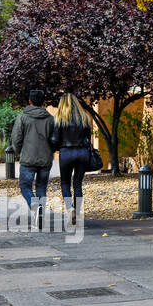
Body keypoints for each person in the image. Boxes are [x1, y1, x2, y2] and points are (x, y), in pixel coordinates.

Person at [10, 89, 58, 229]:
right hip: (45, 159)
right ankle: (40, 213)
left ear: (30, 101)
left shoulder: (23, 117)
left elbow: (16, 139)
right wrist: (50, 151)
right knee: (41, 187)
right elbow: (55, 140)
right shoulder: (50, 118)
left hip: (28, 159)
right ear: (43, 102)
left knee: (25, 186)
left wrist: (20, 152)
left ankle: (34, 205)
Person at [53, 93, 94, 226]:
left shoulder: (59, 119)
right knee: (77, 184)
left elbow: (55, 139)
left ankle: (70, 209)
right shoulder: (84, 118)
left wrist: (55, 147)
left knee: (65, 183)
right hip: (82, 152)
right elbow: (88, 137)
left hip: (66, 153)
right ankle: (78, 212)